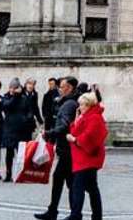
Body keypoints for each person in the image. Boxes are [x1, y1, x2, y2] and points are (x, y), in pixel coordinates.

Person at [34, 78, 80, 220]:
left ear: (70, 88)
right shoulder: (69, 102)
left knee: (69, 182)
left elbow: (64, 125)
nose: (59, 89)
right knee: (63, 180)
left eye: (62, 87)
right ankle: (57, 211)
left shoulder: (69, 104)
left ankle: (73, 214)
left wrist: (49, 133)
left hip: (67, 150)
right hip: (66, 149)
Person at [66, 92, 107, 220]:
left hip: (88, 157)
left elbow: (89, 136)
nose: (80, 107)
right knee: (92, 188)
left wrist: (74, 140)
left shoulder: (94, 117)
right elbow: (75, 130)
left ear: (89, 105)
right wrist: (76, 120)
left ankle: (76, 215)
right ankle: (96, 215)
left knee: (78, 187)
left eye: (82, 105)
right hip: (83, 157)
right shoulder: (86, 116)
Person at [1, 79, 39, 182]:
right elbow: (8, 106)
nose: (13, 90)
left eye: (15, 88)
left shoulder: (24, 98)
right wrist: (15, 96)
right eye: (11, 87)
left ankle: (21, 173)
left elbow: (30, 111)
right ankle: (8, 174)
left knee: (21, 153)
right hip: (10, 128)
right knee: (9, 153)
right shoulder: (6, 97)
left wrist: (27, 119)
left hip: (22, 130)